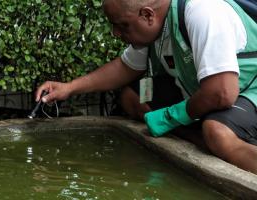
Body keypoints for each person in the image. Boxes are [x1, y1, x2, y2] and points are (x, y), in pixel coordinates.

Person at [35, 0, 257, 173]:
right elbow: (125, 67)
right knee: (134, 96)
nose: (116, 33)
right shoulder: (156, 27)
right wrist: (69, 88)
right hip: (201, 90)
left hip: (248, 87)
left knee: (217, 132)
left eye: (122, 25)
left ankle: (214, 143)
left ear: (147, 15)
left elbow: (222, 92)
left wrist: (170, 116)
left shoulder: (202, 13)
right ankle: (196, 138)